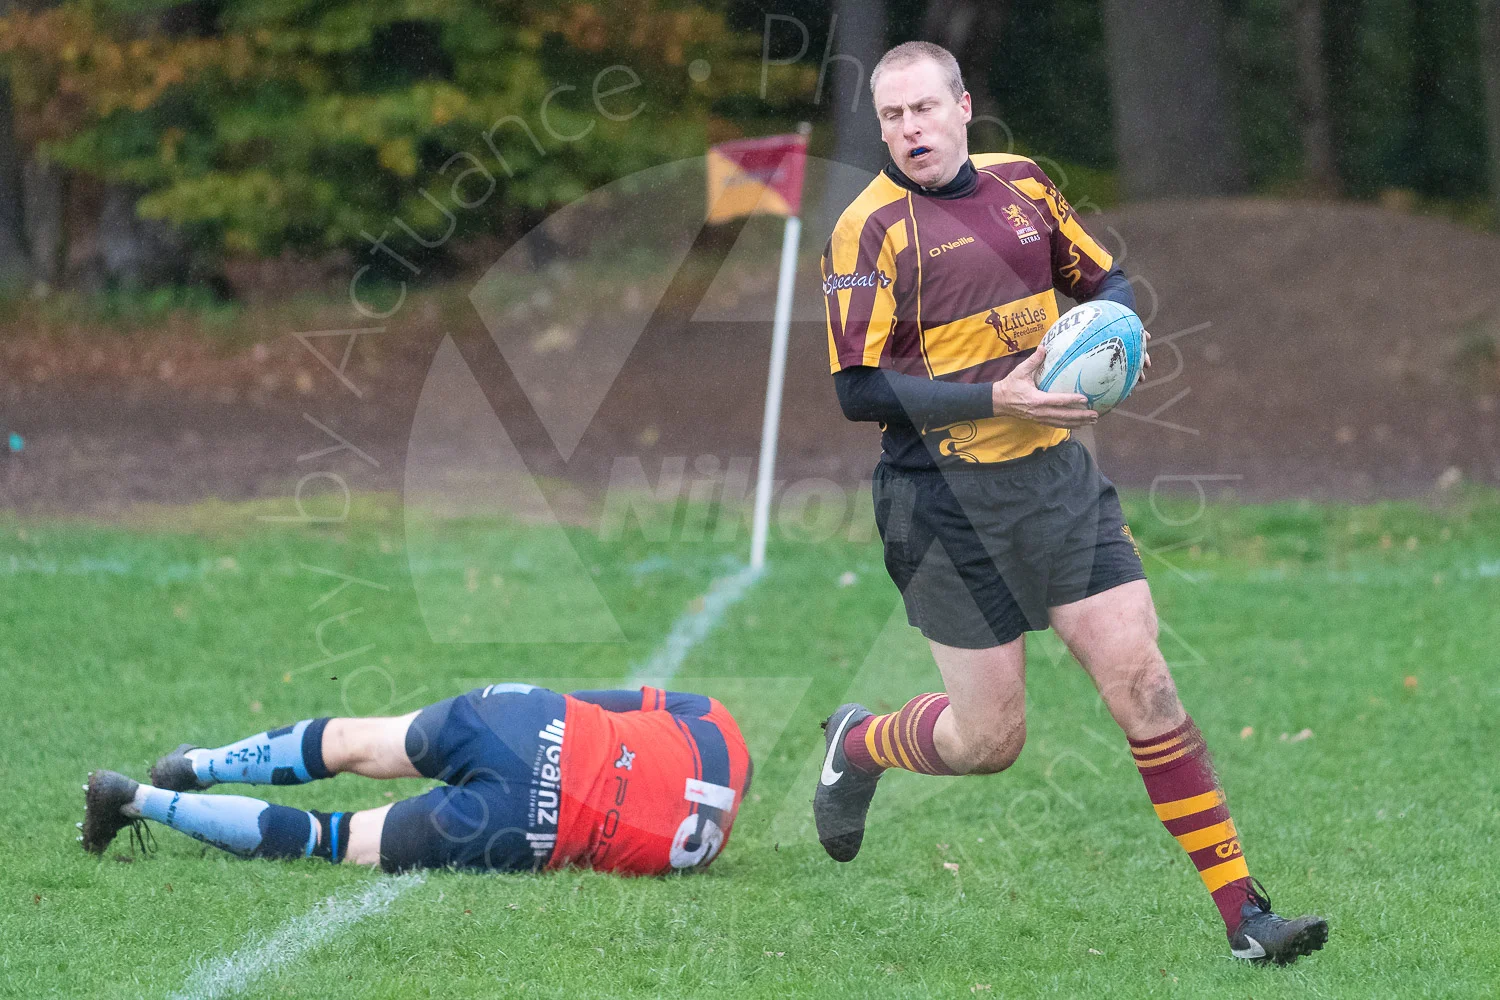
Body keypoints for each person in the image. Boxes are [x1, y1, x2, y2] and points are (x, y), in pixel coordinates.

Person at [811, 40, 1327, 964]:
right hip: (939, 502)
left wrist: (1118, 338)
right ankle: (861, 745)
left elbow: (1106, 282)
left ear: (963, 107)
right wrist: (992, 394)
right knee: (989, 739)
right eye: (892, 117)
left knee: (1146, 682)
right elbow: (858, 392)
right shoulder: (868, 230)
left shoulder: (1023, 186)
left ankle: (1248, 917)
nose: (910, 129)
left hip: (1055, 483)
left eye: (925, 109)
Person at [80, 683, 750, 876]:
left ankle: (198, 764)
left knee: (353, 741)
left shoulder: (720, 724)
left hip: (535, 721)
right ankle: (137, 800)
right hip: (531, 822)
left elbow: (597, 699)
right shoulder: (698, 853)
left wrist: (522, 708)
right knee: (332, 838)